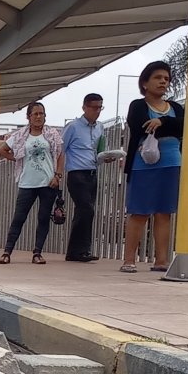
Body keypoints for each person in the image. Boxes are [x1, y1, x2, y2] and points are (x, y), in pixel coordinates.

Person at [121, 61, 185, 273]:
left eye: (166, 79)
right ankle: (129, 259)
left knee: (164, 212)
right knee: (139, 212)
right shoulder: (138, 106)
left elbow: (183, 126)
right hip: (143, 165)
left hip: (171, 162)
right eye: (158, 78)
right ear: (145, 83)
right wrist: (162, 125)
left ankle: (161, 260)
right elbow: (139, 126)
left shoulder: (175, 108)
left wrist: (162, 122)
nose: (163, 82)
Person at [0, 102, 64, 265]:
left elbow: (61, 154)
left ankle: (37, 253)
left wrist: (58, 176)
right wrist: (17, 159)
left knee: (43, 218)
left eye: (42, 113)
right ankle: (7, 251)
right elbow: (2, 150)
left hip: (48, 182)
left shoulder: (52, 134)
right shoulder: (20, 135)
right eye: (35, 114)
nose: (39, 117)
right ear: (29, 117)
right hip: (27, 182)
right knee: (19, 217)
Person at [61, 93, 116, 262]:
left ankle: (79, 250)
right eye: (93, 107)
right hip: (76, 173)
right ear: (84, 107)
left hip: (92, 172)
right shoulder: (73, 127)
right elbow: (61, 149)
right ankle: (79, 249)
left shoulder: (99, 127)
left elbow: (98, 150)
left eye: (100, 108)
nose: (97, 111)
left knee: (86, 211)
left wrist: (105, 157)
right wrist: (58, 172)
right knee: (86, 209)